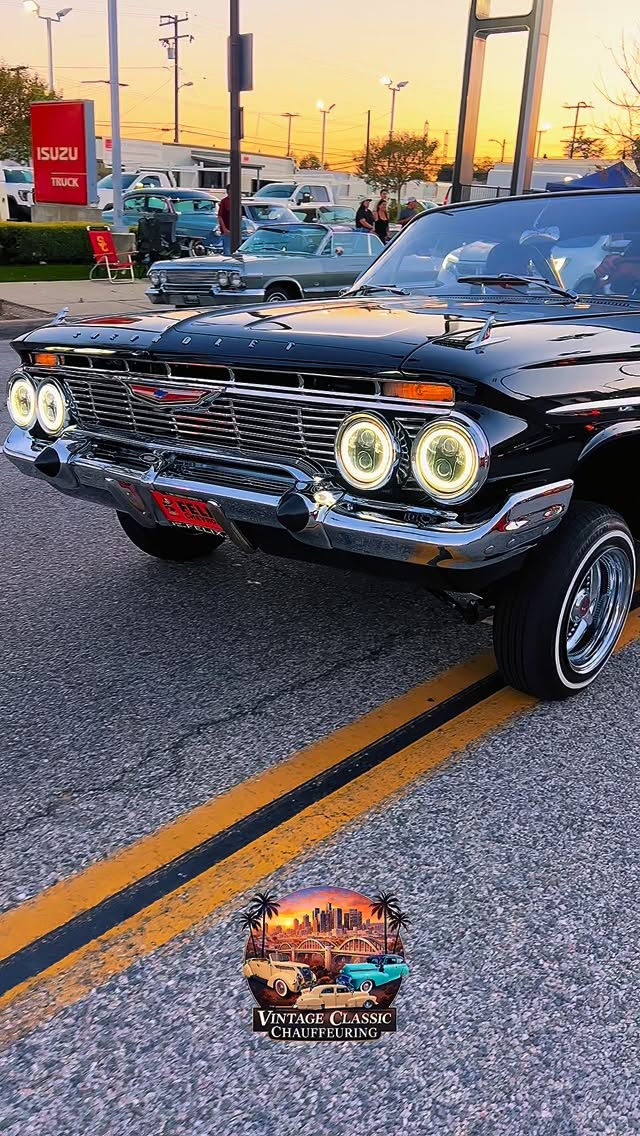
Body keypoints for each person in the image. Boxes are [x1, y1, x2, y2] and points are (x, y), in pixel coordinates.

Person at [218, 183, 231, 255]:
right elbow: (220, 216)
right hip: (226, 231)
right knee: (227, 251)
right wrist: (224, 229)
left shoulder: (237, 201)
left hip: (236, 231)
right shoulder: (224, 201)